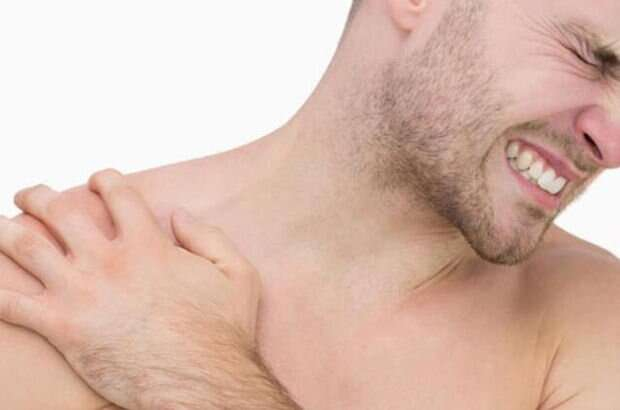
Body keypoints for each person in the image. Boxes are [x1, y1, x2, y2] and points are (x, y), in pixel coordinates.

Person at [0, 0, 619, 408]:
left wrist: (196, 371)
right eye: (591, 57)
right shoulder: (51, 287)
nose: (613, 144)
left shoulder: (594, 322)